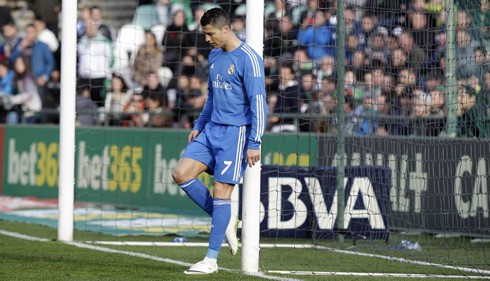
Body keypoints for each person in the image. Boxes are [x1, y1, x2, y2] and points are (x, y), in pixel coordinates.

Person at [171, 8, 266, 275]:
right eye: (204, 34)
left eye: (210, 34)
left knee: (222, 192)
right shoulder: (214, 55)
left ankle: (211, 260)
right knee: (181, 174)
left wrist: (255, 141)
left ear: (226, 29)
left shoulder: (249, 59)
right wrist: (200, 125)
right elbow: (212, 97)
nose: (207, 39)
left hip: (235, 134)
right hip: (211, 129)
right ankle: (224, 220)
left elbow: (259, 104)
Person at [5, 56, 42, 123]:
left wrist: (12, 99)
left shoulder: (28, 78)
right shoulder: (17, 79)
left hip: (31, 113)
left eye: (21, 63)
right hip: (21, 113)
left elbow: (28, 94)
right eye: (16, 63)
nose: (18, 66)